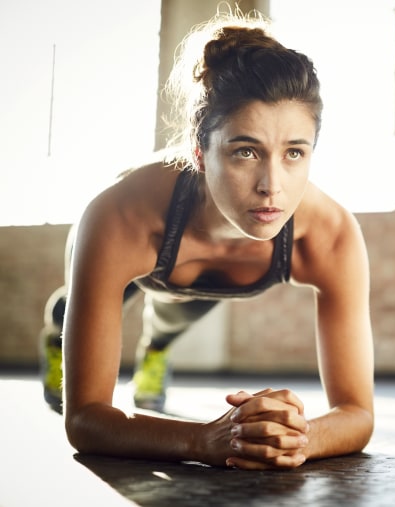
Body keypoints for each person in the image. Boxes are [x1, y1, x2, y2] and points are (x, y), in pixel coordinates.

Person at [37, 9, 374, 470]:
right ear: (199, 151)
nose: (271, 185)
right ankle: (60, 334)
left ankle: (155, 351)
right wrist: (205, 440)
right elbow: (85, 421)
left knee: (172, 319)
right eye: (245, 151)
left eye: (294, 152)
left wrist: (297, 438)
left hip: (196, 278)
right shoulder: (118, 218)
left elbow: (359, 414)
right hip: (143, 246)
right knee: (78, 309)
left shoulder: (330, 233)